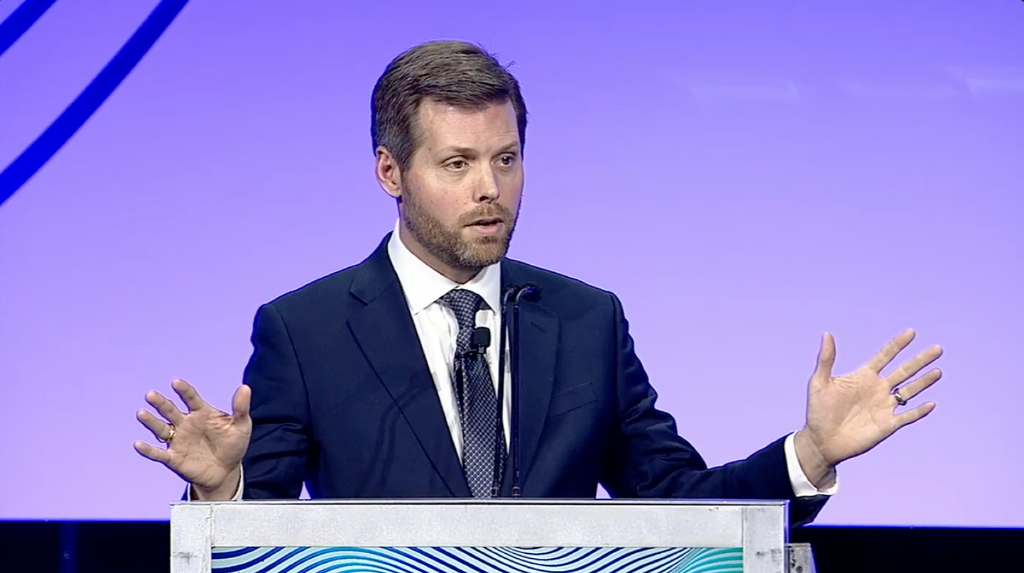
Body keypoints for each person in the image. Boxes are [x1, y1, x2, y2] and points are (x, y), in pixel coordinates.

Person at [134, 40, 942, 526]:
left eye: (507, 158)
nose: (491, 188)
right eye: (458, 163)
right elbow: (262, 534)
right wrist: (224, 490)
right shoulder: (305, 330)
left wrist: (809, 453)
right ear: (390, 171)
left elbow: (678, 502)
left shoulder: (588, 321)